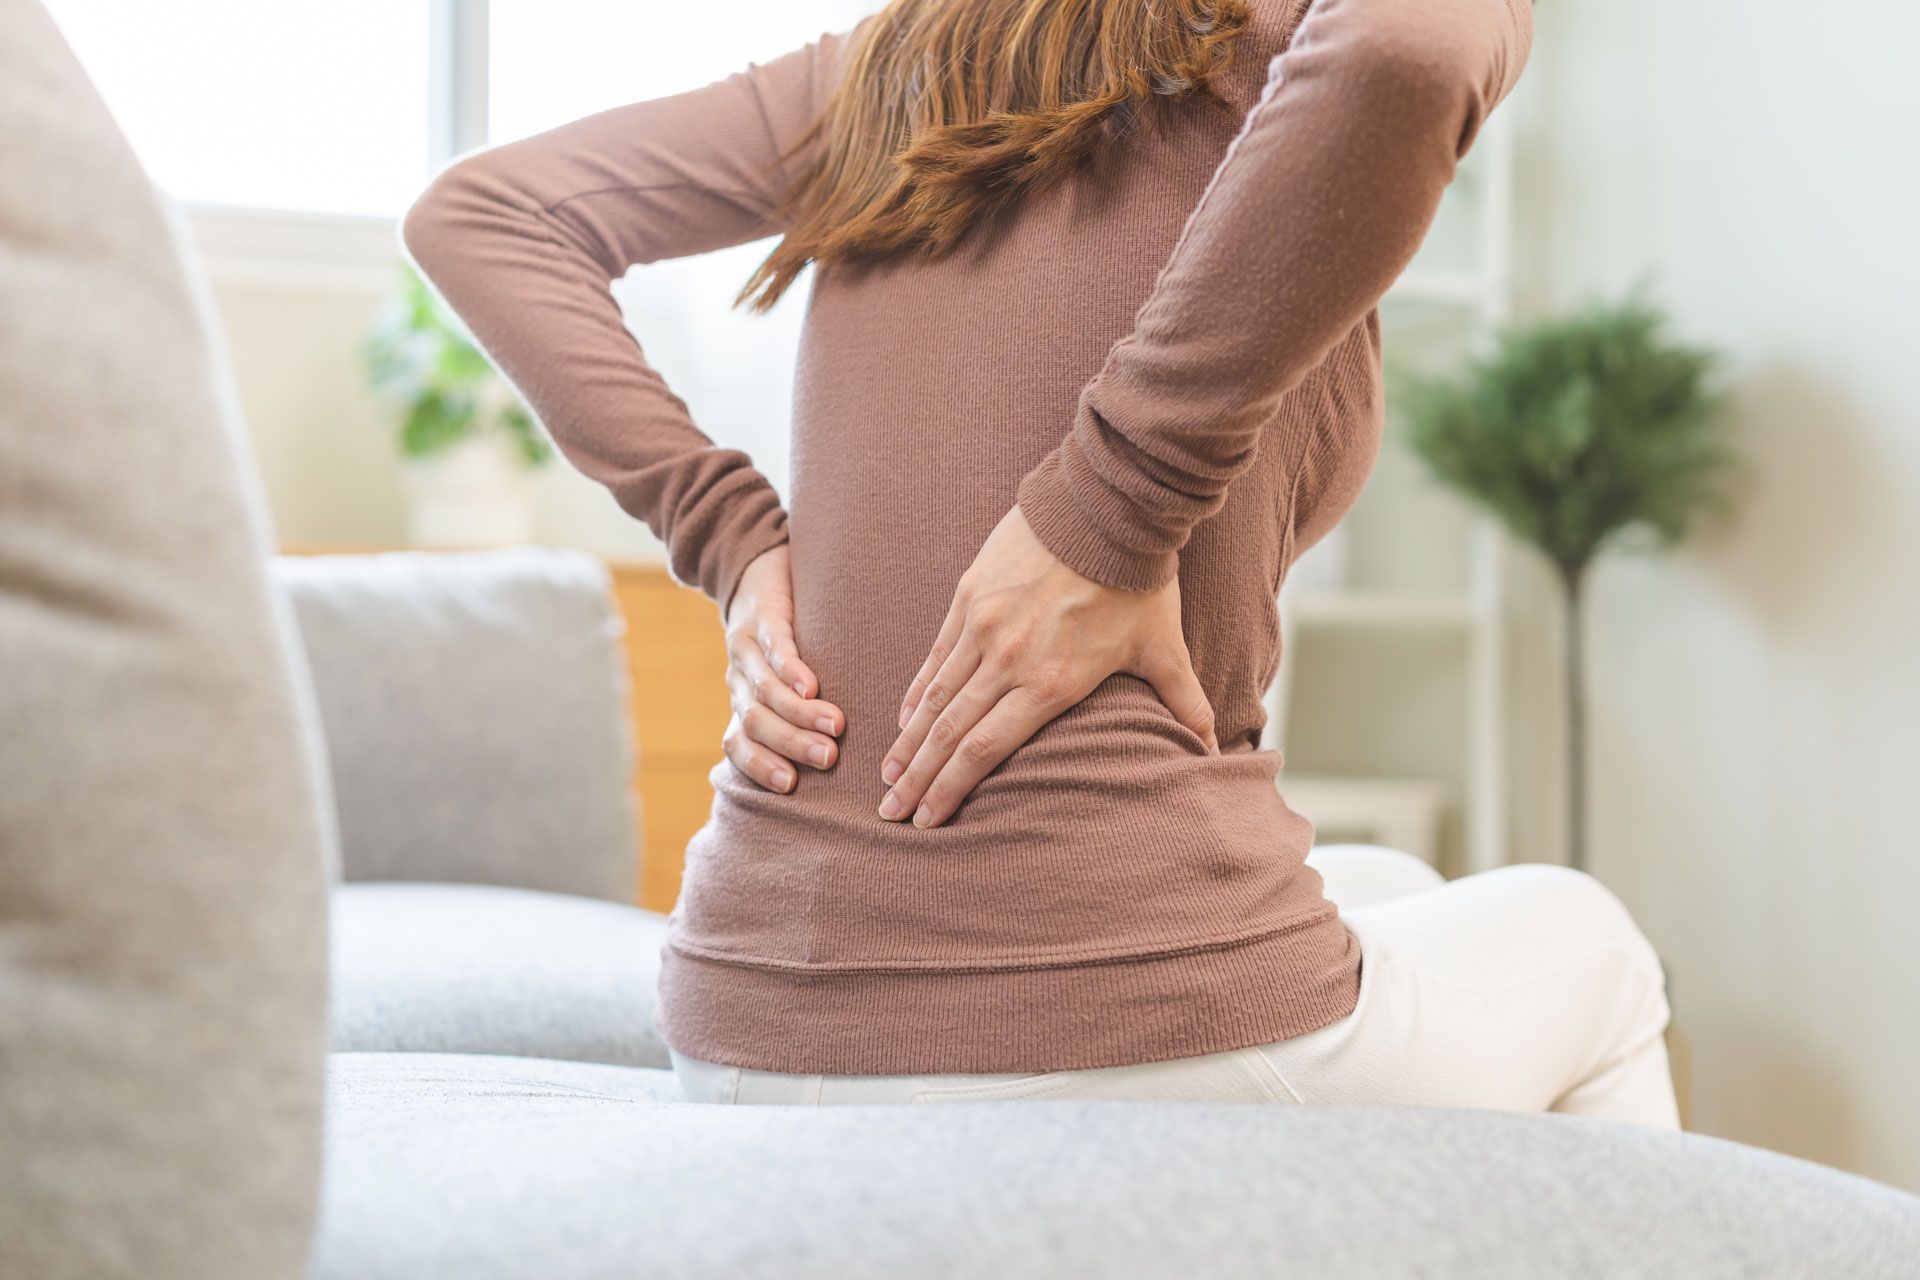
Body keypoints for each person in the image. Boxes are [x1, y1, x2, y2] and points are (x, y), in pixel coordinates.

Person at [403, 0, 1679, 1127]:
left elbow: (483, 210)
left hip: (748, 1031)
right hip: (1121, 1036)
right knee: (1599, 948)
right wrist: (1106, 512)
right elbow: (1414, 45)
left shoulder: (896, 66)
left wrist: (731, 537)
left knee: (1391, 884)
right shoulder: (1289, 33)